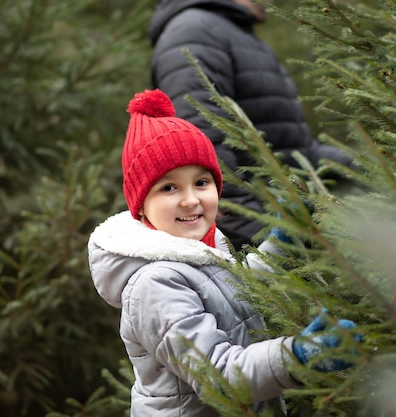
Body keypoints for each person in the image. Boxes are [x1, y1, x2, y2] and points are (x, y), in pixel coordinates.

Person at [88, 89, 361, 416]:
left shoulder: (197, 249)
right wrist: (300, 355)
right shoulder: (153, 283)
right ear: (141, 207)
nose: (191, 200)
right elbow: (218, 375)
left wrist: (282, 244)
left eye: (201, 182)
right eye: (169, 187)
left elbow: (236, 296)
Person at [149, 0, 355, 250]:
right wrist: (263, 245)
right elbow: (204, 153)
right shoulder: (194, 31)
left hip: (291, 229)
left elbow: (289, 148)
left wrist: (362, 172)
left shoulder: (232, 31)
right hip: (267, 244)